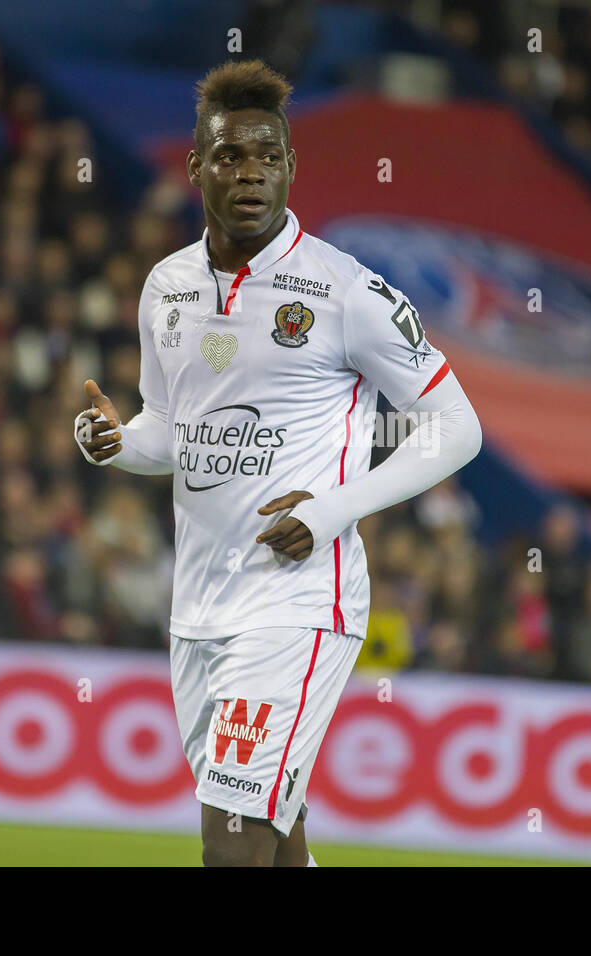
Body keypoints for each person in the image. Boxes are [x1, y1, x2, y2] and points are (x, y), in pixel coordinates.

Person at [74, 61, 482, 866]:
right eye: (229, 156)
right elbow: (170, 432)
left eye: (268, 156)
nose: (250, 172)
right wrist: (119, 445)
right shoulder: (168, 288)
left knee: (230, 846)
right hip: (198, 607)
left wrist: (333, 510)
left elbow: (456, 426)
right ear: (196, 168)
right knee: (273, 839)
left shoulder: (344, 291)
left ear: (292, 167)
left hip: (297, 606)